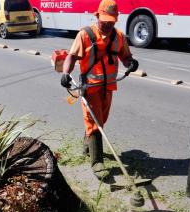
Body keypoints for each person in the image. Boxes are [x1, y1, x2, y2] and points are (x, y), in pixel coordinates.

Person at [60, 0, 139, 179]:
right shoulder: (85, 35)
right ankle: (97, 163)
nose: (108, 24)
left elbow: (125, 57)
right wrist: (65, 73)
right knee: (95, 123)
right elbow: (72, 57)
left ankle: (87, 146)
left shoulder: (118, 36)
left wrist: (131, 63)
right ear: (97, 17)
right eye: (105, 21)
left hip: (108, 88)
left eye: (111, 21)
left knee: (100, 120)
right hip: (90, 88)